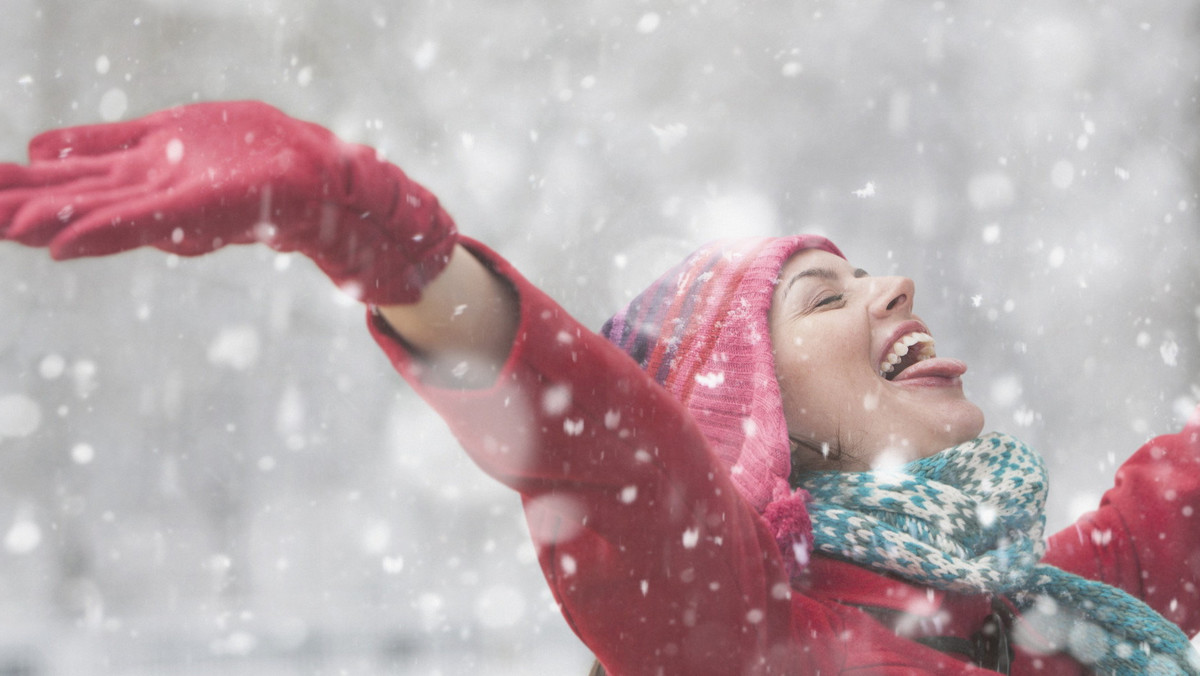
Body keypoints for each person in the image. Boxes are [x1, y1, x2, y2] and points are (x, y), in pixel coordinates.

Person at [1, 101, 1198, 675]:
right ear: (758, 422)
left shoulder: (1055, 609)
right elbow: (616, 457)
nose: (894, 286)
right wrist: (382, 240)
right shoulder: (739, 634)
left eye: (862, 272)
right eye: (824, 298)